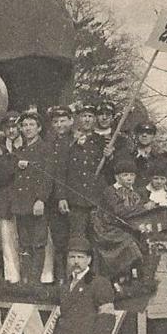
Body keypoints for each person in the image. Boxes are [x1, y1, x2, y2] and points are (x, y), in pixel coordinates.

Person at [9, 110, 53, 282]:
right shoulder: (20, 150)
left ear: (39, 128)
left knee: (38, 243)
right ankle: (26, 281)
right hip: (21, 204)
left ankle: (35, 283)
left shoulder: (45, 149)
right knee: (24, 244)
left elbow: (48, 176)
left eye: (31, 125)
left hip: (37, 204)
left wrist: (41, 199)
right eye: (25, 125)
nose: (28, 128)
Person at [91, 158, 153, 281]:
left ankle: (135, 277)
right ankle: (123, 275)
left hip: (126, 226)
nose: (129, 178)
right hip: (108, 229)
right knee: (130, 243)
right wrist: (143, 208)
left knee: (147, 240)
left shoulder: (135, 193)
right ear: (117, 177)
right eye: (125, 175)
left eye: (132, 175)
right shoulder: (110, 191)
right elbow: (120, 212)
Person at [58, 103, 108, 240]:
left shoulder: (102, 142)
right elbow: (61, 171)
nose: (87, 119)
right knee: (76, 238)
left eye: (90, 116)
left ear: (95, 119)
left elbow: (109, 172)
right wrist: (61, 197)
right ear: (78, 119)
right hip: (75, 200)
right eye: (84, 116)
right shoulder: (68, 141)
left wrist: (110, 157)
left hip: (96, 200)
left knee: (98, 238)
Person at [0, 111, 22, 282]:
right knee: (7, 240)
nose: (11, 131)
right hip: (6, 200)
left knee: (25, 240)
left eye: (15, 127)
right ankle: (12, 277)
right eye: (8, 127)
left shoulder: (25, 146)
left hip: (24, 200)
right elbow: (2, 175)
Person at [46, 105, 75, 281]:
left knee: (74, 240)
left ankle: (75, 277)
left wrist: (63, 196)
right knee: (58, 241)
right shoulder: (50, 143)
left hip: (71, 198)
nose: (59, 125)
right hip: (53, 199)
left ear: (71, 121)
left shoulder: (76, 141)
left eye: (63, 121)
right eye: (55, 122)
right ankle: (61, 278)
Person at [132, 122, 158, 187]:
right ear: (136, 134)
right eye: (141, 132)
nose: (144, 135)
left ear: (154, 136)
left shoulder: (159, 158)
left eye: (149, 132)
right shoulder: (128, 155)